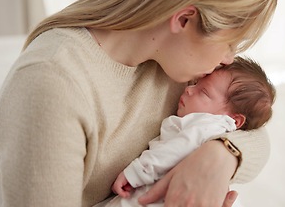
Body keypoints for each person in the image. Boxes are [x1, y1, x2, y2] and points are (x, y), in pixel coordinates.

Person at [0, 0, 277, 206]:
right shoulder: (51, 84)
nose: (228, 59)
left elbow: (254, 129)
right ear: (184, 19)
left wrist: (220, 156)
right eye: (230, 43)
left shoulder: (178, 62)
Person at [99, 56, 275, 207]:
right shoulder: (215, 126)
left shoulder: (208, 125)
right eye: (196, 84)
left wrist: (135, 173)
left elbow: (173, 150)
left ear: (234, 120)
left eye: (203, 93)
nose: (189, 89)